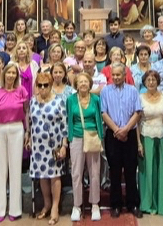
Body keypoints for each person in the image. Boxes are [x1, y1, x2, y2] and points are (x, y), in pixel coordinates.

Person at [101, 63, 144, 218]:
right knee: (115, 171)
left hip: (130, 134)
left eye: (119, 74)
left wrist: (126, 129)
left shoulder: (132, 91)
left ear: (125, 74)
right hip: (113, 135)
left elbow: (137, 112)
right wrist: (117, 130)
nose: (117, 77)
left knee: (131, 171)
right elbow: (104, 113)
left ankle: (133, 204)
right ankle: (116, 204)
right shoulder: (105, 91)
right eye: (114, 75)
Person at [0, 63, 29, 221]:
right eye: (9, 73)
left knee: (15, 168)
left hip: (17, 129)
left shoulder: (22, 91)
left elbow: (27, 113)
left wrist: (27, 132)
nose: (11, 75)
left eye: (14, 73)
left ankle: (15, 209)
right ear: (4, 74)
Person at [28, 72, 68, 225]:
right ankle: (46, 204)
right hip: (38, 146)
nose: (43, 88)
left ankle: (55, 208)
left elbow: (65, 125)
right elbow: (30, 122)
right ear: (36, 86)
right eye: (40, 85)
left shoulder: (58, 101)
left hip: (54, 145)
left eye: (46, 85)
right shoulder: (32, 101)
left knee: (54, 176)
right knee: (42, 176)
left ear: (51, 85)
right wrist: (28, 138)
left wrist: (64, 145)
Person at [137, 70, 163, 217]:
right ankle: (149, 204)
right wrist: (138, 144)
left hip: (162, 136)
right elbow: (136, 122)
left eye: (154, 79)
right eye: (148, 80)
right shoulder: (140, 97)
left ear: (158, 81)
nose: (151, 82)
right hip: (145, 135)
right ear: (145, 82)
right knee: (148, 171)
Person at [67, 72, 103, 221]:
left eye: (85, 82)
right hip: (76, 137)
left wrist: (101, 138)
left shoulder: (95, 99)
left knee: (94, 172)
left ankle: (95, 204)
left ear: (90, 84)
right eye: (80, 82)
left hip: (93, 137)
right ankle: (77, 205)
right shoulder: (70, 99)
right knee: (76, 173)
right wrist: (68, 139)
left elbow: (99, 119)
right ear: (76, 85)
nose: (83, 84)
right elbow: (69, 119)